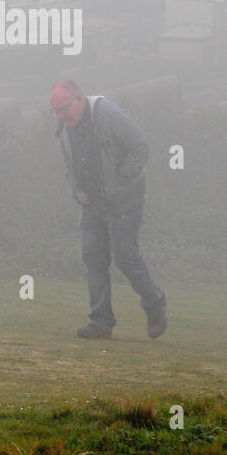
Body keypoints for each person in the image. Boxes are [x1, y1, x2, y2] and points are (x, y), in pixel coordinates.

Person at [51, 79, 167, 340]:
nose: (59, 116)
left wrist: (121, 181)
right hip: (91, 203)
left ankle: (155, 305)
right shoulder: (67, 123)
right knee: (93, 260)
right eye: (55, 112)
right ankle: (100, 323)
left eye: (63, 109)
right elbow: (68, 158)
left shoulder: (108, 113)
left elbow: (140, 147)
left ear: (78, 99)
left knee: (125, 257)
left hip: (124, 199)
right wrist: (76, 189)